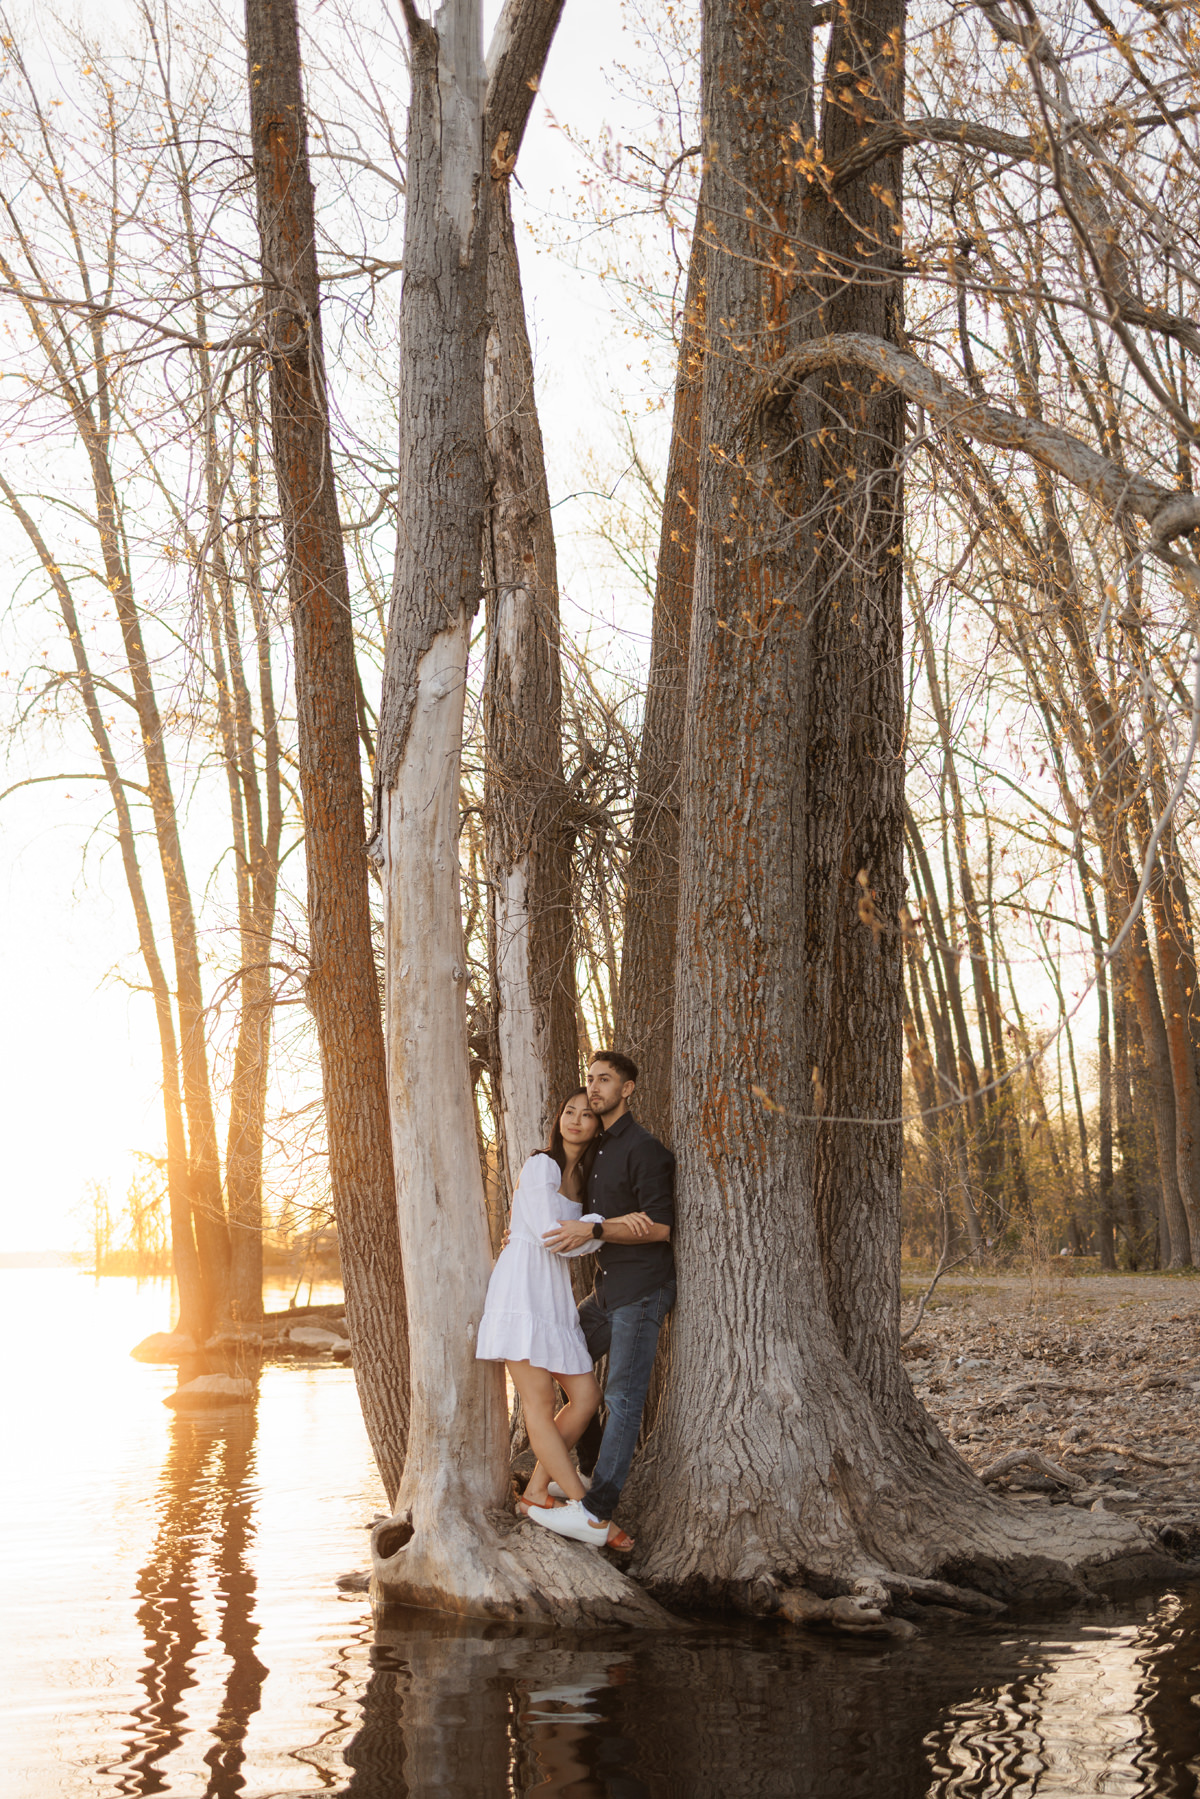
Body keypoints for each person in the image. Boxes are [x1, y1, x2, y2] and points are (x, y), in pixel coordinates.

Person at [475, 1089, 642, 1546]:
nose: (575, 1120)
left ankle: (534, 1493)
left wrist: (590, 1229)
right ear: (559, 1118)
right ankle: (587, 1513)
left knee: (586, 1396)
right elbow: (555, 1235)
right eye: (569, 1111)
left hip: (552, 1295)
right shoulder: (540, 1165)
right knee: (539, 1405)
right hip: (521, 1288)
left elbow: (587, 1236)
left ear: (596, 1126)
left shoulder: (587, 1181)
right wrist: (591, 1230)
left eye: (586, 1115)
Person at [524, 1051, 675, 1547]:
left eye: (605, 1080)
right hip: (606, 1291)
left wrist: (602, 1226)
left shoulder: (645, 1150)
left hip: (642, 1291)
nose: (594, 1089)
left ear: (627, 1089)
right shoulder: (597, 1152)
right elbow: (569, 1218)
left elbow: (659, 1227)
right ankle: (583, 1473)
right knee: (565, 1370)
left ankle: (595, 1512)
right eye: (590, 1079)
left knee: (622, 1398)